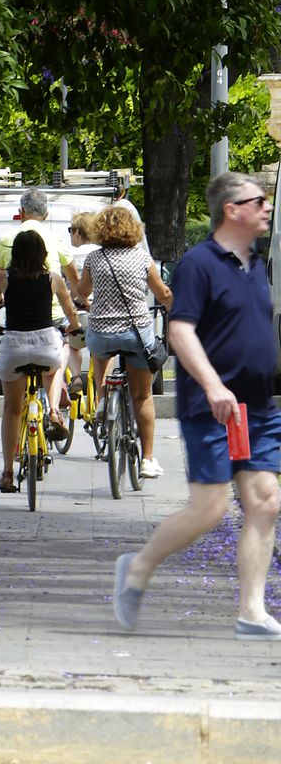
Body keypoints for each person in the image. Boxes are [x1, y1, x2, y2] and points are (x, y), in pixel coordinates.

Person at [114, 173, 280, 637]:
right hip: (213, 407)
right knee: (209, 510)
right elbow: (180, 330)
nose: (267, 207)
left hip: (257, 408)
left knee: (265, 501)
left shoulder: (254, 264)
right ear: (233, 209)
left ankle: (251, 610)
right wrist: (213, 386)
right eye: (259, 201)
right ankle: (137, 567)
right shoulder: (199, 264)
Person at [0, 226, 81, 492]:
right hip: (45, 344)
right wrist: (73, 324)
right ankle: (53, 409)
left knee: (12, 410)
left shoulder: (3, 278)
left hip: (13, 346)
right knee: (56, 363)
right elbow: (70, 310)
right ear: (42, 254)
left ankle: (7, 472)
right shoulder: (53, 279)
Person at [81, 202, 174, 483]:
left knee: (99, 352)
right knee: (142, 396)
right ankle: (147, 459)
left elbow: (82, 292)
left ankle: (99, 400)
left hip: (101, 334)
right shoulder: (143, 259)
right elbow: (163, 293)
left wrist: (86, 300)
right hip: (137, 334)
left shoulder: (93, 260)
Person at [0, 189, 78, 309]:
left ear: (22, 211)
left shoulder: (5, 240)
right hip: (51, 314)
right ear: (46, 215)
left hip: (17, 315)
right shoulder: (56, 240)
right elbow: (73, 277)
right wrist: (79, 300)